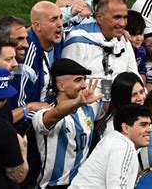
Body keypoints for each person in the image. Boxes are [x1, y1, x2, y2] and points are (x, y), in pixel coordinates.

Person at [32, 58, 103, 188]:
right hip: (54, 186)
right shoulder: (45, 111)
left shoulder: (87, 109)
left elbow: (109, 106)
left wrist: (108, 77)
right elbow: (57, 112)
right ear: (61, 85)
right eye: (78, 80)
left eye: (83, 79)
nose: (84, 85)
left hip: (82, 185)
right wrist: (77, 102)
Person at [70, 104, 152, 189]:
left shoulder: (113, 139)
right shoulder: (123, 147)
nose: (149, 129)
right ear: (125, 128)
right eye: (143, 125)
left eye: (149, 124)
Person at [62, 0, 138, 79]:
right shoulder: (78, 41)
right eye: (117, 17)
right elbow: (69, 83)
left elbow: (135, 78)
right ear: (99, 18)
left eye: (125, 18)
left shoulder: (123, 39)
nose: (123, 23)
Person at [11, 1, 64, 111]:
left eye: (60, 18)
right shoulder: (26, 55)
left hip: (51, 106)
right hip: (33, 118)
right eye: (53, 20)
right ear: (37, 26)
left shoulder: (58, 39)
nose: (60, 24)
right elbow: (20, 107)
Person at [93, 71, 146, 142]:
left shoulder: (139, 118)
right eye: (133, 95)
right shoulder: (112, 128)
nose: (140, 98)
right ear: (122, 98)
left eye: (142, 92)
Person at [126, 10, 148, 81]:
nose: (139, 38)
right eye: (134, 34)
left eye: (141, 34)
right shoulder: (118, 51)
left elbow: (142, 72)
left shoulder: (141, 51)